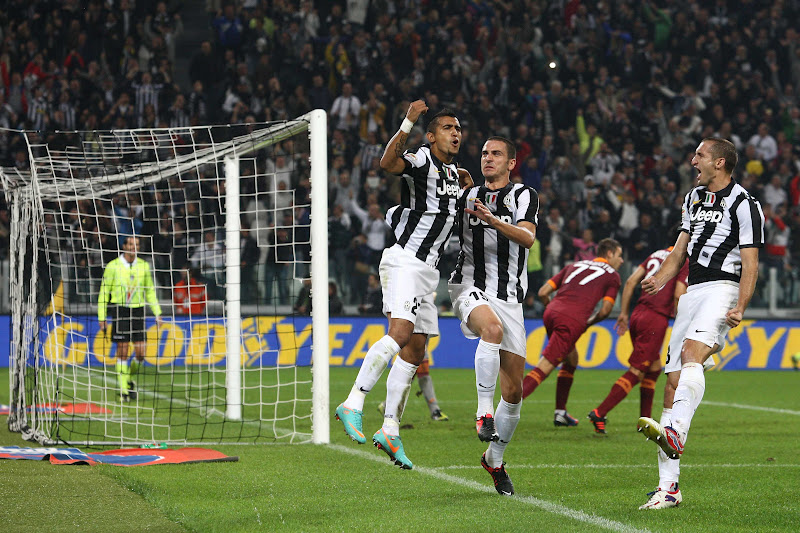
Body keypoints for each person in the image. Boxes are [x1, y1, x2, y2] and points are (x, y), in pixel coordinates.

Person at [335, 100, 468, 470]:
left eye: (458, 128)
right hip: (405, 260)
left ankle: (390, 429)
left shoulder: (454, 174)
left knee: (416, 350)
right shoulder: (422, 158)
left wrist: (465, 189)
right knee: (400, 333)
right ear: (431, 136)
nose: (455, 133)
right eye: (447, 128)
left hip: (428, 271)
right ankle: (353, 402)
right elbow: (388, 164)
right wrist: (408, 120)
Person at [637, 138, 764, 510]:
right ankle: (668, 489)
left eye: (700, 155)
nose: (693, 161)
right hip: (691, 292)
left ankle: (675, 431)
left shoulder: (745, 204)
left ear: (719, 162)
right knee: (672, 383)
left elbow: (751, 262)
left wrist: (741, 305)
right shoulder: (692, 198)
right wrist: (660, 279)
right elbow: (680, 251)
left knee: (693, 353)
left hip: (723, 288)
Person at [448, 136, 538, 495]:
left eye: (496, 154)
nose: (488, 158)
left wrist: (492, 219)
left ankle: (494, 459)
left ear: (511, 163)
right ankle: (483, 412)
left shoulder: (525, 195)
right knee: (492, 330)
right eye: (485, 153)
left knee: (514, 392)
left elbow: (527, 238)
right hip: (468, 285)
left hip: (510, 297)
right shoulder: (467, 196)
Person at [521, 238, 624, 428]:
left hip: (550, 312)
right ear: (609, 254)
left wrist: (554, 310)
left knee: (571, 358)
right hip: (571, 319)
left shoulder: (574, 265)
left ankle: (561, 413)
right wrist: (588, 323)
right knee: (545, 366)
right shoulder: (613, 276)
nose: (622, 260)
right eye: (619, 255)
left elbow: (543, 292)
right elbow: (605, 311)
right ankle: (504, 409)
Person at [586, 246, 688, 435]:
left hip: (638, 314)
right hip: (655, 319)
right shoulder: (682, 259)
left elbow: (631, 281)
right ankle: (599, 412)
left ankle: (644, 421)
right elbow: (678, 294)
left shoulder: (656, 254)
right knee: (637, 370)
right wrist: (682, 321)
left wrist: (624, 313)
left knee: (653, 369)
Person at [98, 236, 163, 401]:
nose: (134, 247)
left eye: (137, 245)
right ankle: (123, 391)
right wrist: (102, 316)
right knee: (123, 350)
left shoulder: (144, 266)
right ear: (124, 246)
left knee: (141, 353)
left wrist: (157, 312)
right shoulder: (113, 266)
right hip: (120, 310)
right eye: (131, 244)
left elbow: (150, 290)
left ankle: (128, 379)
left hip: (138, 311)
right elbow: (104, 291)